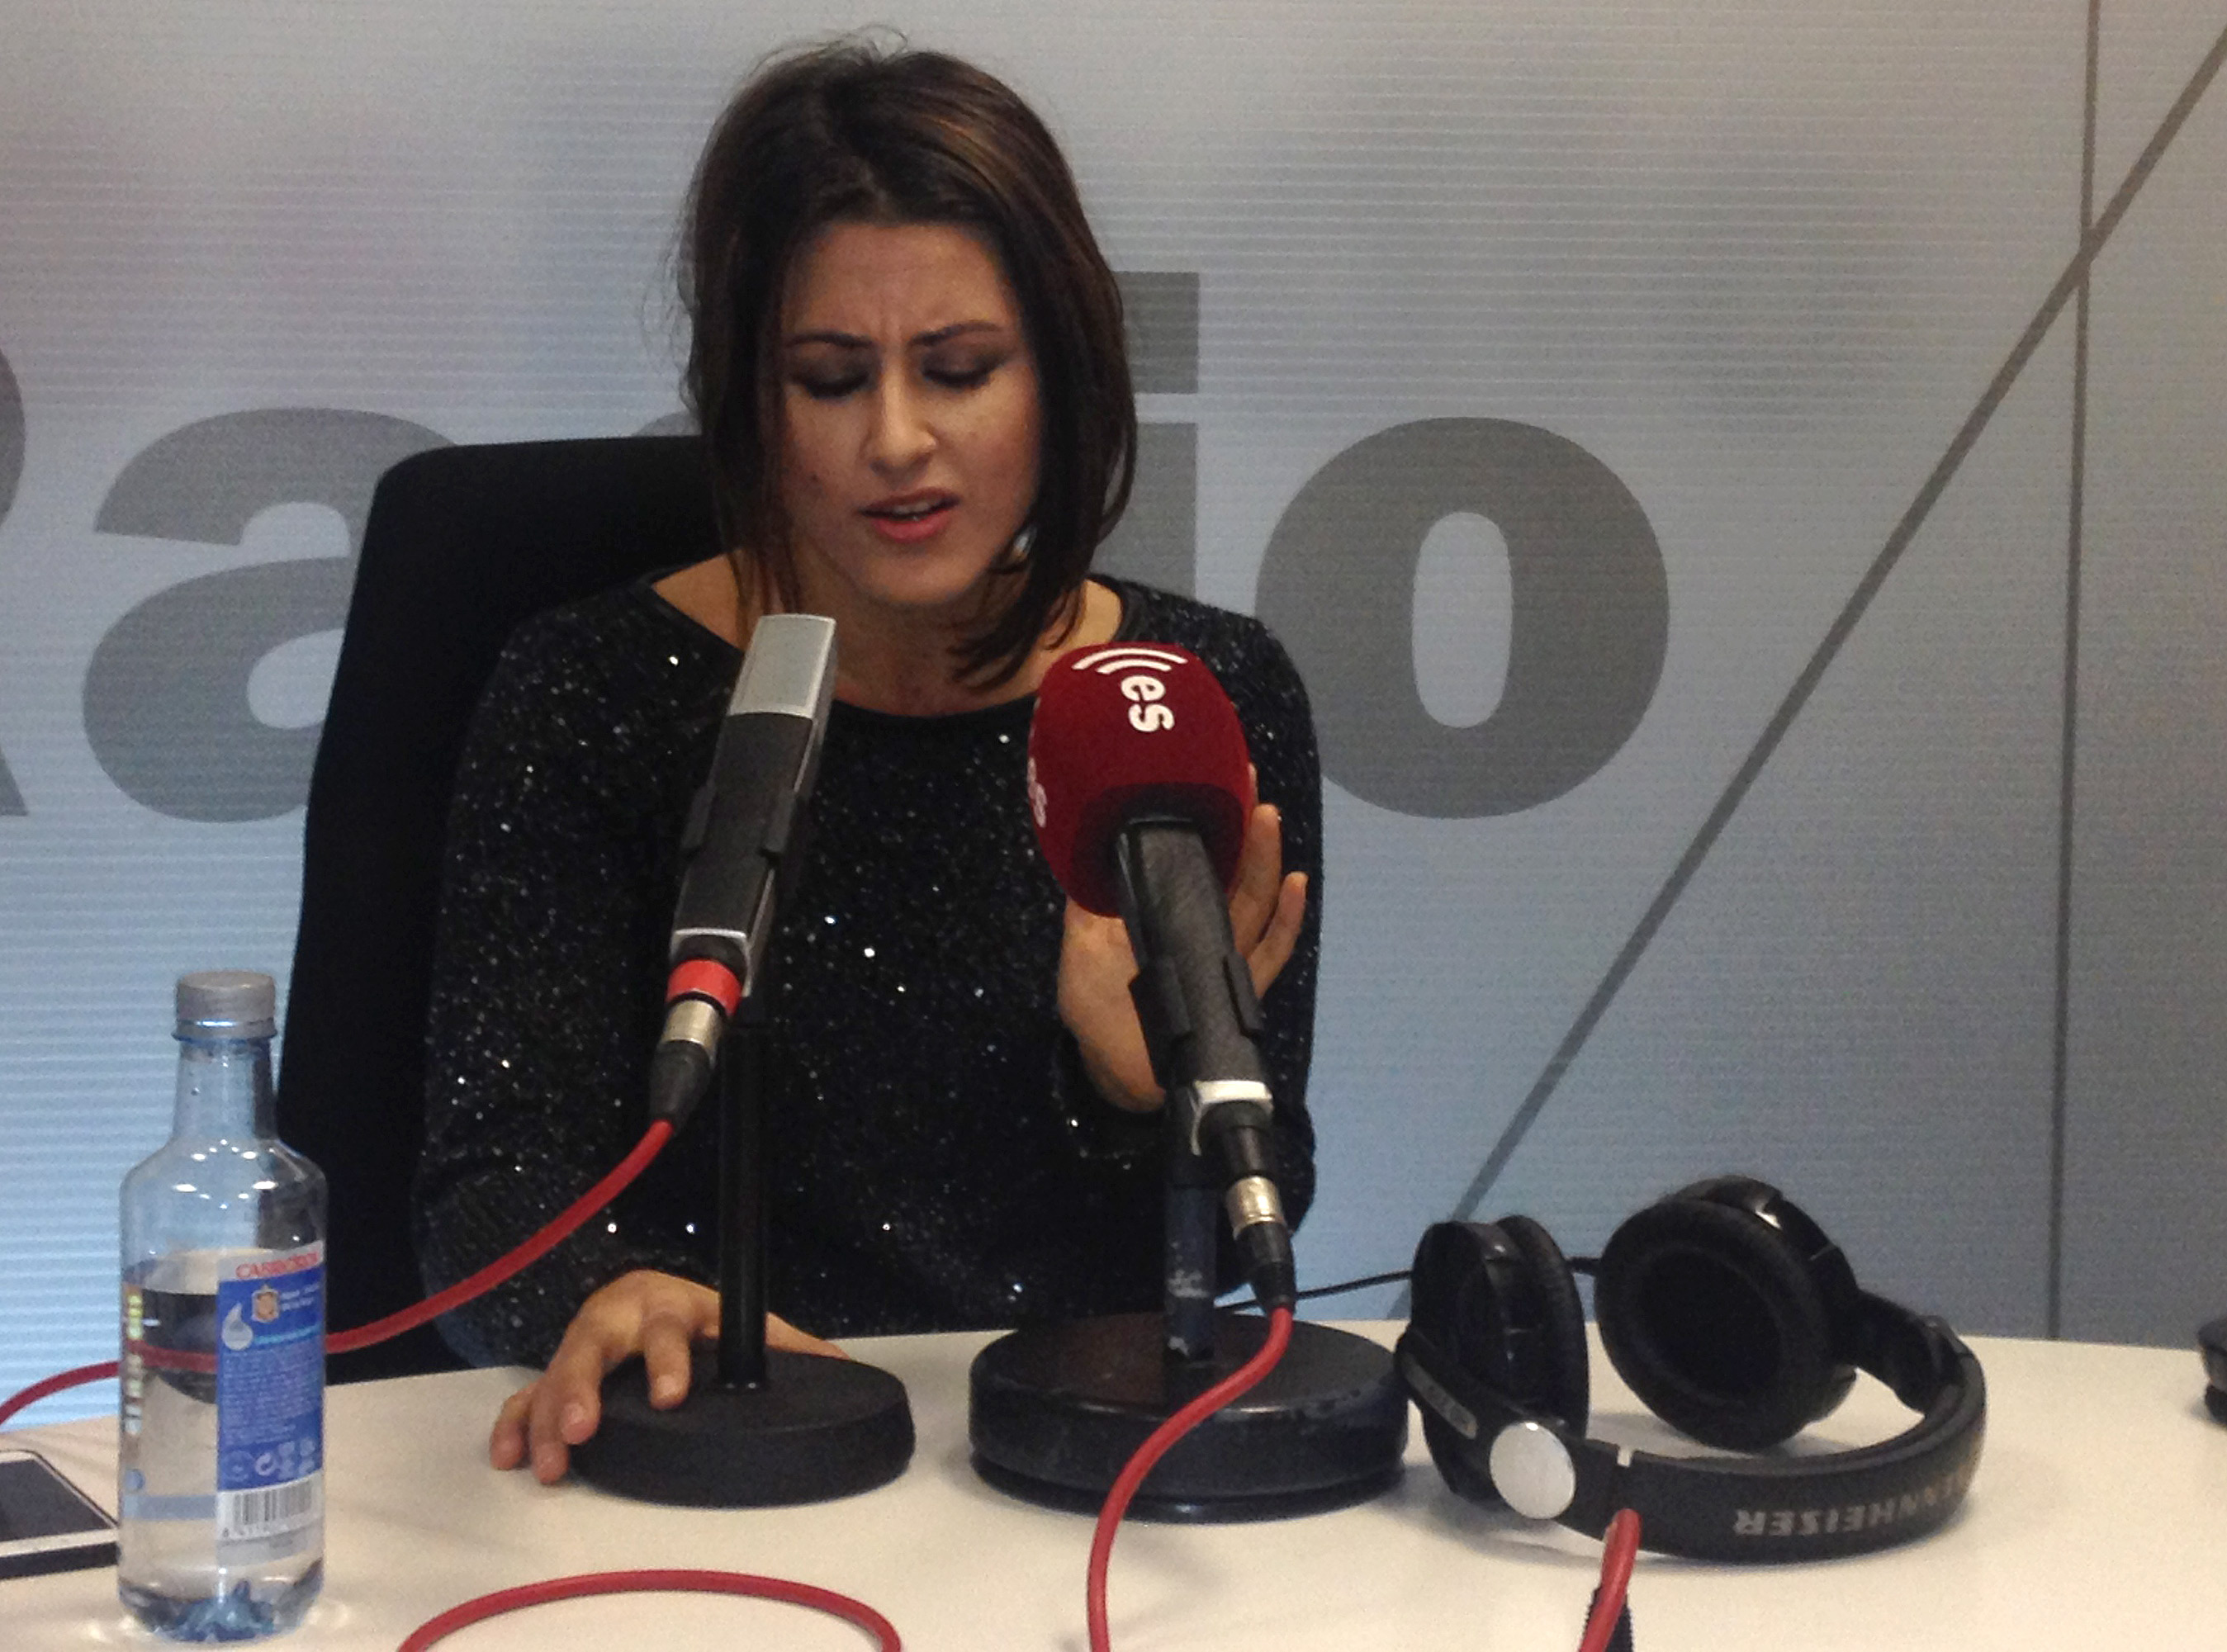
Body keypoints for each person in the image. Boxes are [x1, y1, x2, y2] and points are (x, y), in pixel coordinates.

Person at [410, 40, 1324, 1485]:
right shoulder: (591, 690)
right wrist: (605, 1288)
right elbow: (488, 1180)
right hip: (706, 1457)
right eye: (832, 379)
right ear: (752, 400)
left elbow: (1252, 1222)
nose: (898, 439)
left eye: (959, 370)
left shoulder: (1187, 701)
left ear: (1060, 372)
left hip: (1060, 1477)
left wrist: (1136, 1095)